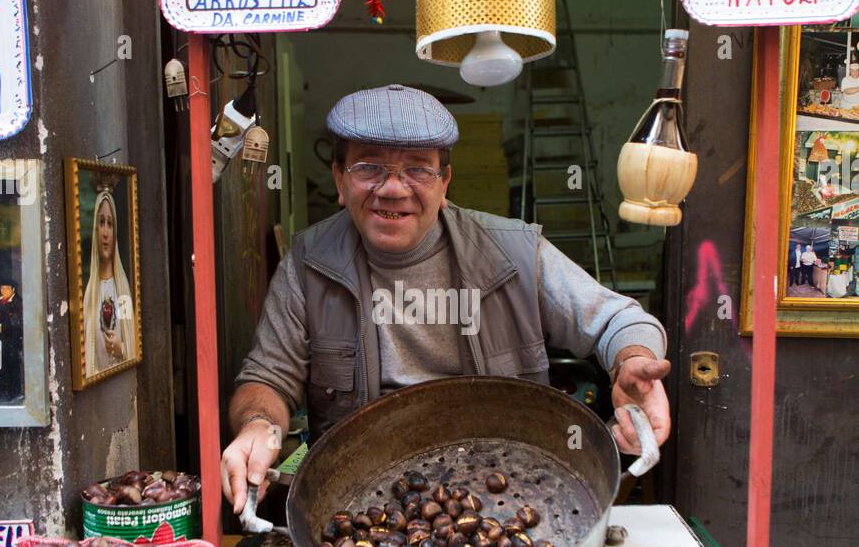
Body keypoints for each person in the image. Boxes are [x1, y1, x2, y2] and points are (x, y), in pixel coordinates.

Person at [221, 85, 672, 515]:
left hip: (507, 495)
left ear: (445, 182)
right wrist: (261, 424)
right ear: (339, 179)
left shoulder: (512, 253)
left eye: (417, 168)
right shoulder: (307, 265)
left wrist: (632, 361)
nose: (393, 188)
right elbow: (268, 378)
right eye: (369, 167)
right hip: (361, 507)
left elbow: (619, 319)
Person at [82, 190, 135, 377]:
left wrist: (120, 347)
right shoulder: (90, 293)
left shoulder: (121, 290)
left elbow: (131, 344)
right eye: (101, 223)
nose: (105, 233)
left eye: (110, 224)